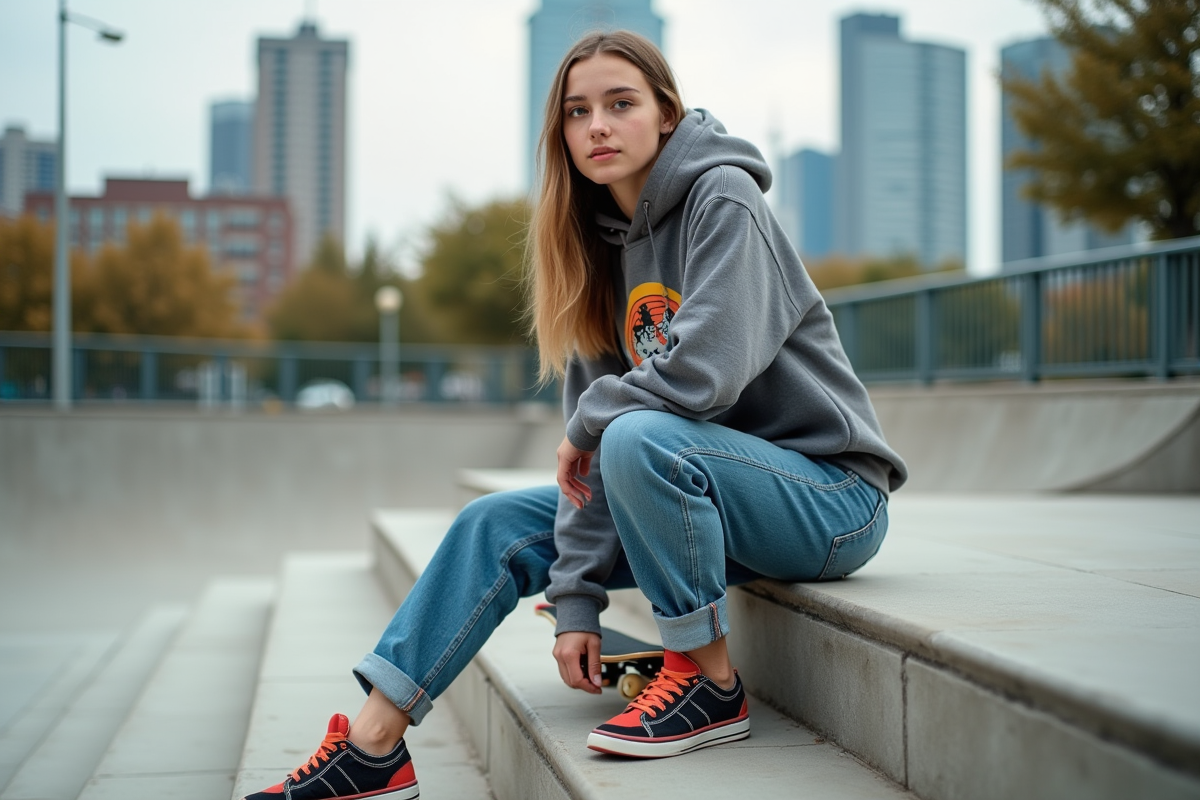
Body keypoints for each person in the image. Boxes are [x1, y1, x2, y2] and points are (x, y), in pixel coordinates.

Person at [242, 29, 906, 800]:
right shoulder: (593, 247)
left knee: (638, 434)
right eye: (577, 111)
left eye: (621, 104)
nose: (598, 125)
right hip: (701, 495)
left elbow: (707, 374)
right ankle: (373, 747)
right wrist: (578, 600)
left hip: (828, 499)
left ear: (666, 113)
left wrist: (591, 422)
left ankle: (709, 681)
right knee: (494, 522)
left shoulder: (726, 199)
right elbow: (597, 466)